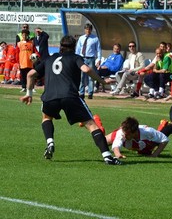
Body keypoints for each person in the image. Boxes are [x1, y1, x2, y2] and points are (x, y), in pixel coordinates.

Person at [20, 35, 121, 166]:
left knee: (46, 118)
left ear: (60, 46)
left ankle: (50, 141)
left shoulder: (49, 59)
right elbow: (86, 69)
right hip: (69, 95)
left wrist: (29, 93)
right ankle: (107, 157)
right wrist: (102, 81)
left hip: (50, 97)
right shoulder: (75, 57)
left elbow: (30, 74)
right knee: (91, 125)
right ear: (74, 47)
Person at [96, 116, 169, 158]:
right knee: (101, 143)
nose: (125, 135)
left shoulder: (148, 132)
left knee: (145, 152)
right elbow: (116, 145)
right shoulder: (122, 132)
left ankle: (162, 126)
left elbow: (164, 139)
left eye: (127, 134)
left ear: (135, 133)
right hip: (133, 140)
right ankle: (97, 124)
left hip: (144, 142)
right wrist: (118, 155)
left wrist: (155, 154)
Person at [75, 23, 101, 99]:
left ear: (91, 30)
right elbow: (78, 49)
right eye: (86, 29)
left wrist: (98, 59)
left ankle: (90, 93)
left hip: (91, 58)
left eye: (89, 29)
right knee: (82, 76)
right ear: (84, 30)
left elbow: (98, 50)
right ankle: (81, 92)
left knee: (91, 77)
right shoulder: (81, 38)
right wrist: (76, 58)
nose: (88, 30)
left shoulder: (95, 38)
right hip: (82, 58)